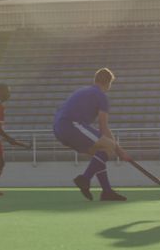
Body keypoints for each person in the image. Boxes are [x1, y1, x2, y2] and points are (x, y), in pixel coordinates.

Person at [52, 68, 130, 202]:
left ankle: (107, 192)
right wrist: (120, 150)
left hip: (58, 129)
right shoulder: (101, 96)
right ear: (109, 83)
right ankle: (85, 178)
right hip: (71, 125)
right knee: (110, 148)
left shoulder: (83, 90)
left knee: (100, 153)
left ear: (95, 79)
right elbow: (103, 127)